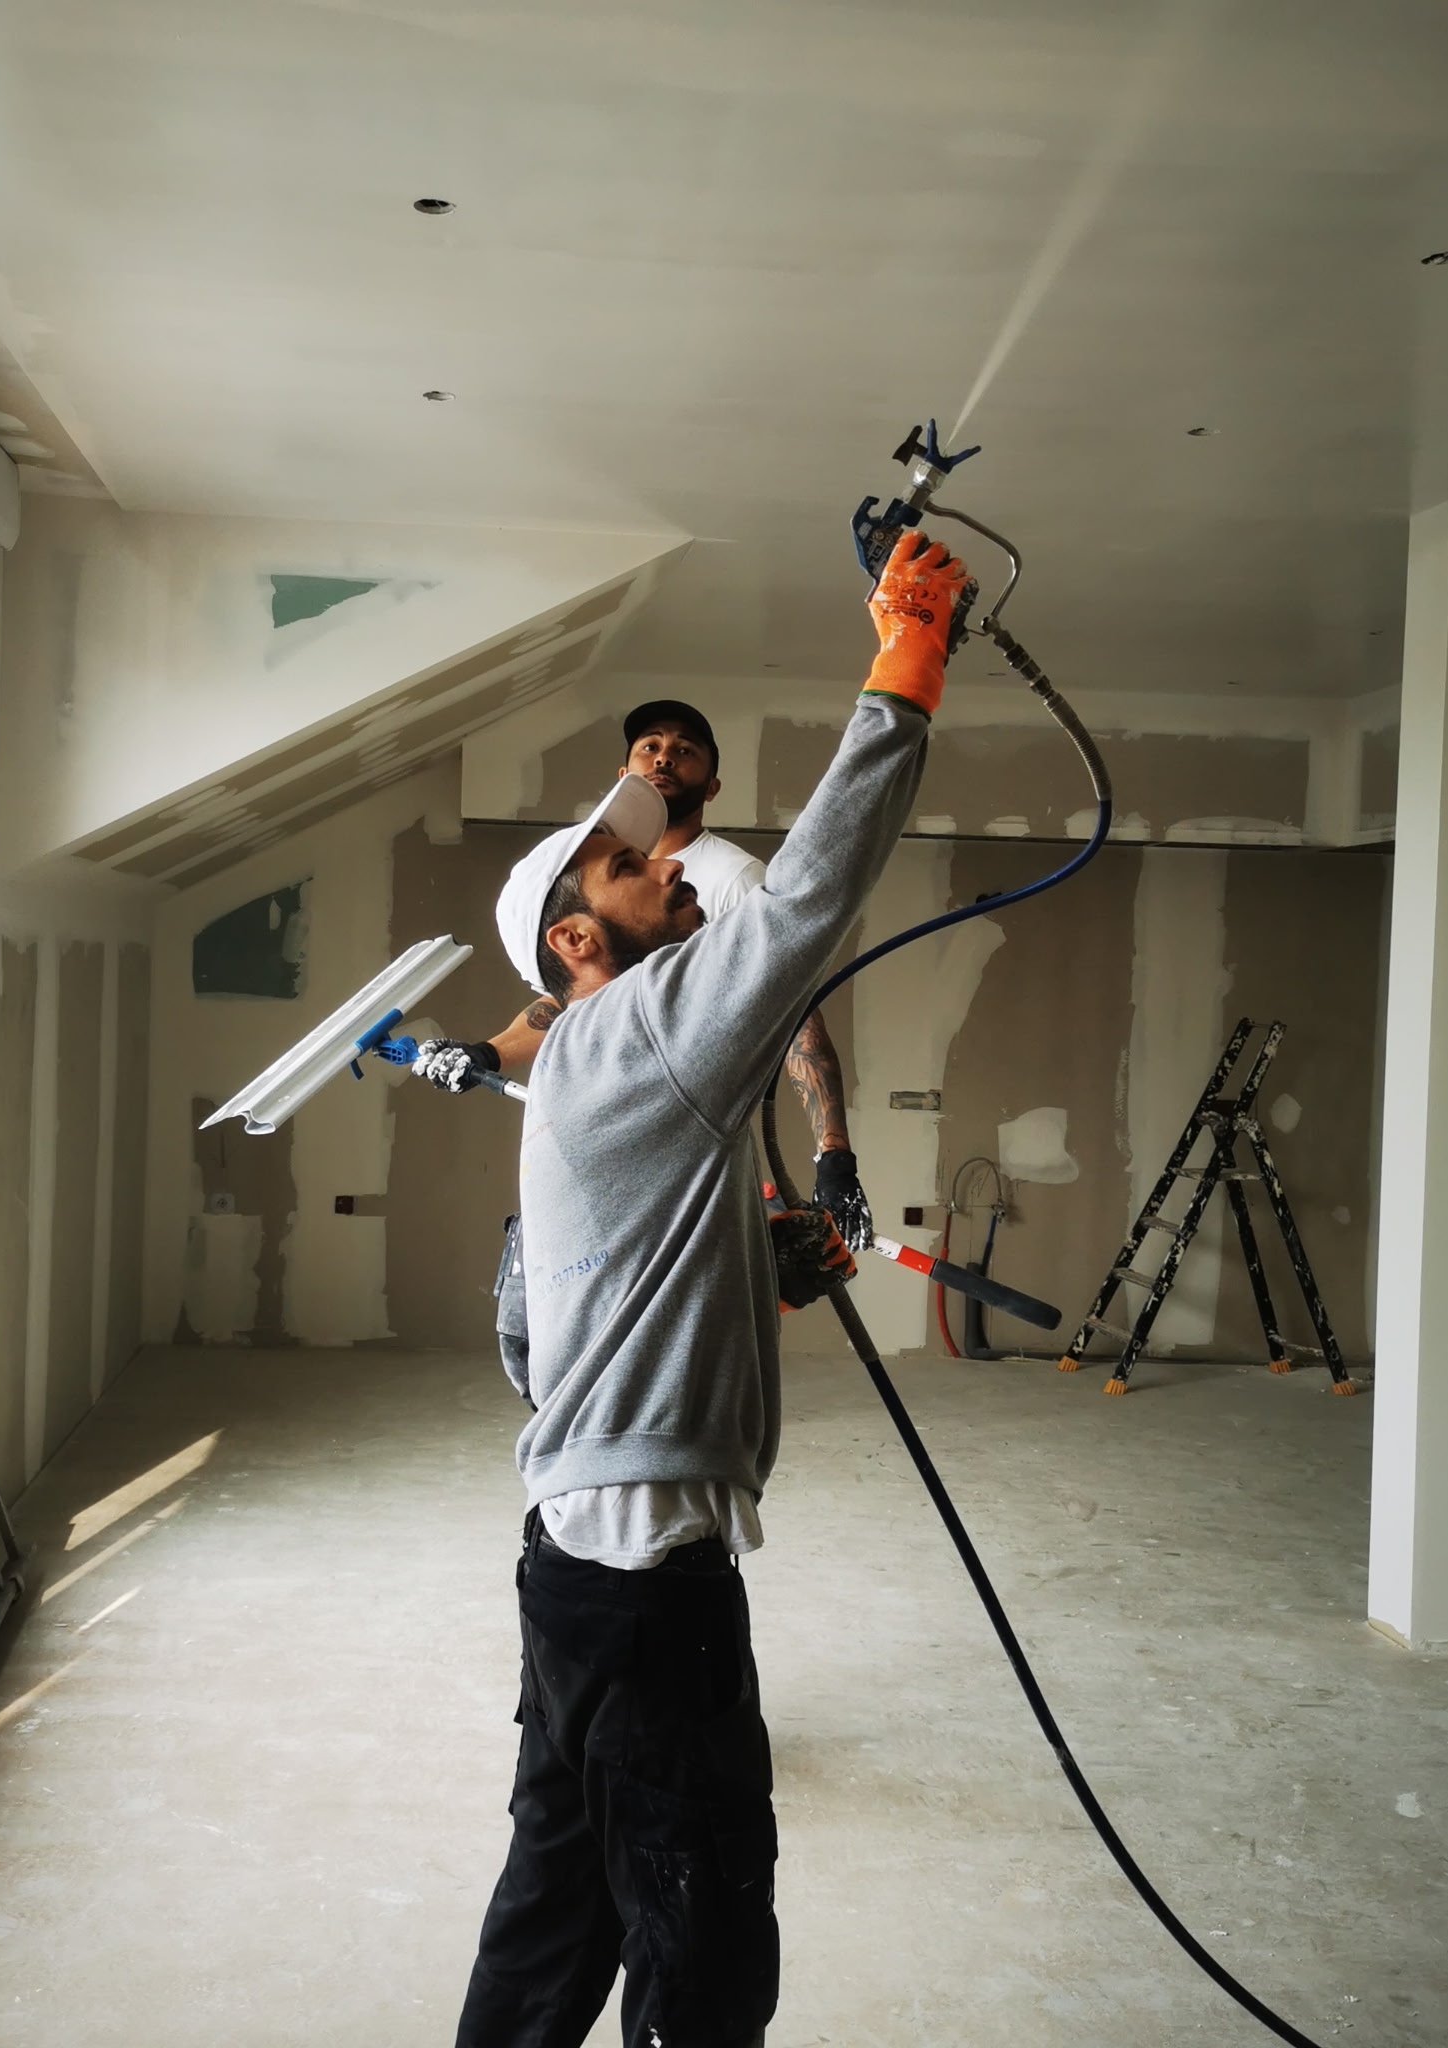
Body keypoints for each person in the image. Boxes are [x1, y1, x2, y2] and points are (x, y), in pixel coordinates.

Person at [452, 531, 967, 2048]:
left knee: (558, 1917)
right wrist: (908, 657)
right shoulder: (644, 1031)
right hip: (642, 1586)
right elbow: (808, 901)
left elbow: (535, 1324)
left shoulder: (587, 1080)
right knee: (705, 1945)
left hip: (575, 1566)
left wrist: (753, 1267)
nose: (665, 855)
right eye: (629, 861)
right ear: (574, 936)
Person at [411, 702, 874, 1249]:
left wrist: (833, 1152)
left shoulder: (731, 878)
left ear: (712, 785)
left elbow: (794, 1010)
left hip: (684, 1131)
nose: (664, 759)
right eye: (650, 747)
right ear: (624, 773)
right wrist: (487, 1053)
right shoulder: (587, 879)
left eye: (684, 751)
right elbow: (569, 1000)